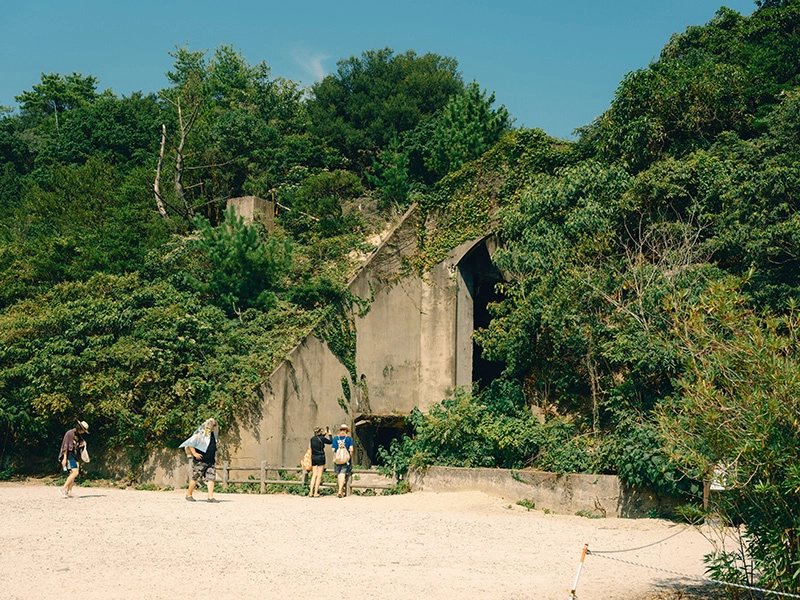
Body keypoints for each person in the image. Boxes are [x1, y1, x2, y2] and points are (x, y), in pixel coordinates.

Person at [179, 418, 219, 503]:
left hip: (210, 460)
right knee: (196, 477)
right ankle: (188, 494)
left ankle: (210, 497)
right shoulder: (200, 434)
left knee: (211, 478)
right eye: (213, 426)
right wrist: (194, 453)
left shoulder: (212, 435)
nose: (214, 428)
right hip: (201, 460)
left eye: (214, 426)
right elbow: (190, 443)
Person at [58, 420, 89, 498]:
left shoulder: (79, 436)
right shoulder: (69, 433)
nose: (83, 432)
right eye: (83, 430)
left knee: (72, 474)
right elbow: (65, 446)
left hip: (75, 455)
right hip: (69, 455)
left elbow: (78, 446)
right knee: (75, 472)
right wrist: (64, 458)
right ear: (80, 428)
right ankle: (63, 488)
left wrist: (82, 445)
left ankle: (69, 492)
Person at [331, 423, 354, 498]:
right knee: (343, 474)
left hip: (338, 459)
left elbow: (333, 449)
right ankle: (340, 490)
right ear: (347, 431)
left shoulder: (335, 438)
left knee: (339, 474)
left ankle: (339, 490)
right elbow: (351, 449)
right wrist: (349, 456)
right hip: (345, 460)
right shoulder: (348, 439)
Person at [308, 426, 332, 497]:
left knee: (314, 475)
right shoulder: (322, 438)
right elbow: (330, 442)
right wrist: (330, 434)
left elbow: (319, 439)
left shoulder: (312, 439)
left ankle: (311, 492)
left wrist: (323, 434)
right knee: (319, 476)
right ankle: (316, 492)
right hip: (321, 457)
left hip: (314, 457)